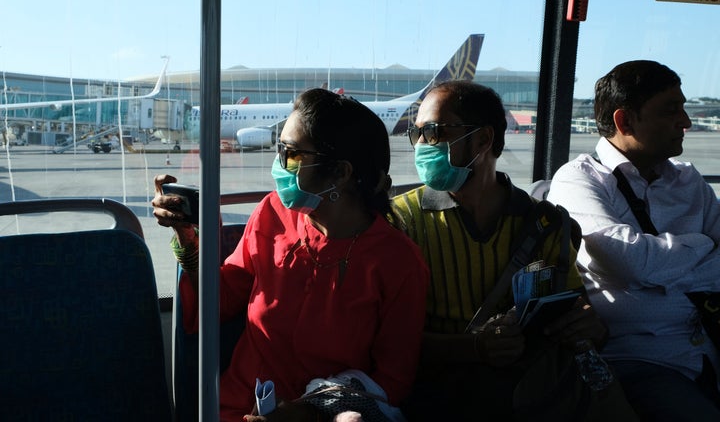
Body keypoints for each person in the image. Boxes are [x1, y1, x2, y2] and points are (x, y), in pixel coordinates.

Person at [152, 88, 429, 421]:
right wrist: (188, 237)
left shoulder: (397, 262)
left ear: (340, 173)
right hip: (237, 406)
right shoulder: (272, 213)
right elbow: (221, 300)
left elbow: (393, 383)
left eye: (291, 155)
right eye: (278, 150)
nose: (278, 165)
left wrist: (307, 413)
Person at [391, 80, 608, 419]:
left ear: (483, 139)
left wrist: (587, 325)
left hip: (524, 390)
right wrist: (474, 348)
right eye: (416, 134)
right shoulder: (400, 221)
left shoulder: (546, 223)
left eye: (433, 133)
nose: (421, 145)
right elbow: (387, 338)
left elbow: (569, 306)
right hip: (434, 393)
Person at [547, 60, 720, 421]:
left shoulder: (689, 181)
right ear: (625, 121)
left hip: (708, 349)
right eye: (671, 111)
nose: (686, 122)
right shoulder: (580, 180)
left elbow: (641, 267)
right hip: (637, 360)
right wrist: (704, 245)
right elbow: (629, 262)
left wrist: (655, 268)